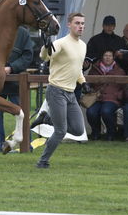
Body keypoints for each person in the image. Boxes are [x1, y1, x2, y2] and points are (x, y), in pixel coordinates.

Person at [36, 12, 90, 168]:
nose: (81, 26)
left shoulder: (83, 45)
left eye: (82, 23)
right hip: (56, 91)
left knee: (79, 130)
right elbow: (44, 56)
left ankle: (46, 119)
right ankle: (42, 162)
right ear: (69, 25)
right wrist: (46, 47)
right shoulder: (61, 43)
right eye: (77, 23)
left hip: (71, 93)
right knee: (60, 131)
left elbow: (77, 68)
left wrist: (83, 82)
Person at [0, 26, 33, 152]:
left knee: (22, 114)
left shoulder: (23, 33)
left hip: (17, 83)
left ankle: (26, 145)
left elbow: (28, 56)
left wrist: (11, 68)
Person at [86, 49, 126, 141]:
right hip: (97, 97)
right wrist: (89, 88)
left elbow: (125, 87)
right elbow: (88, 82)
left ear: (113, 58)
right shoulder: (94, 69)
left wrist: (118, 96)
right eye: (105, 55)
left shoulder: (119, 70)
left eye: (110, 56)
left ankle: (111, 133)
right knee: (91, 112)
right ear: (102, 57)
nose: (108, 58)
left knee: (106, 111)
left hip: (112, 98)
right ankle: (96, 132)